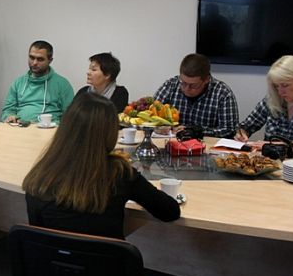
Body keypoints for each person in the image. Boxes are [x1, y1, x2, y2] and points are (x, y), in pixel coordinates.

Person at [23, 91, 180, 238]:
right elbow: (170, 212)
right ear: (109, 134)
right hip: (105, 258)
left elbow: (38, 234)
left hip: (50, 258)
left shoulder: (41, 175)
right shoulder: (119, 173)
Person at [235, 55, 293, 153]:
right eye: (276, 86)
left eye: (285, 85)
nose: (280, 92)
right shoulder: (271, 100)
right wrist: (241, 133)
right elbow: (246, 126)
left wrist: (284, 145)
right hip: (269, 160)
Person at [153, 53, 239, 138]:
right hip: (172, 141)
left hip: (206, 144)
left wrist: (195, 131)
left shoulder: (222, 93)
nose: (187, 89)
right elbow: (150, 116)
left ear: (206, 79)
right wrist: (167, 128)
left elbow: (229, 130)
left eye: (193, 85)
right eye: (183, 83)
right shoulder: (171, 85)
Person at [1, 40, 74, 124]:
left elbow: (70, 117)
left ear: (50, 60)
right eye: (32, 58)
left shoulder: (62, 84)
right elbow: (7, 111)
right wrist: (9, 116)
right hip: (20, 127)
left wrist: (54, 124)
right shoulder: (18, 83)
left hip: (49, 129)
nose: (34, 63)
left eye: (40, 59)